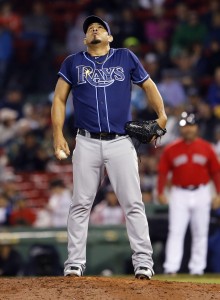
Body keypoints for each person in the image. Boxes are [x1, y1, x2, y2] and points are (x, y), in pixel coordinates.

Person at [51, 15, 167, 279]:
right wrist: (57, 134)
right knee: (80, 203)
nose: (94, 29)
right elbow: (59, 99)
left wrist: (162, 115)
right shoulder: (73, 62)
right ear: (84, 39)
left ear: (110, 37)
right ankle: (74, 262)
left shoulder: (125, 57)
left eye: (100, 27)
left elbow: (148, 84)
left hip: (120, 142)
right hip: (86, 141)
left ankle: (143, 262)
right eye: (90, 28)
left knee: (133, 203)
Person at [157, 111, 220, 275]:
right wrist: (160, 191)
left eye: (191, 126)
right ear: (181, 129)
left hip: (202, 191)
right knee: (176, 231)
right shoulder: (171, 149)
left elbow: (216, 173)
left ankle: (197, 268)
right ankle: (171, 267)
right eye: (185, 126)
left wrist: (218, 194)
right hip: (179, 193)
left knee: (201, 232)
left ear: (197, 128)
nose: (188, 130)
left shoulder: (207, 148)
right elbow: (163, 172)